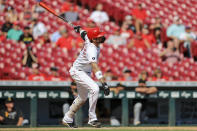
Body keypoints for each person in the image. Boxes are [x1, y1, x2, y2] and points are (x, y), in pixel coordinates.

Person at [62, 26, 110, 128]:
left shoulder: (89, 39)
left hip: (84, 72)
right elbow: (94, 66)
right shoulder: (91, 49)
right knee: (95, 89)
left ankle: (68, 118)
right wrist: (103, 83)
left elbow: (84, 33)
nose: (102, 37)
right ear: (94, 39)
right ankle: (92, 119)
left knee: (82, 98)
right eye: (99, 36)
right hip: (78, 71)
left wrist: (79, 29)